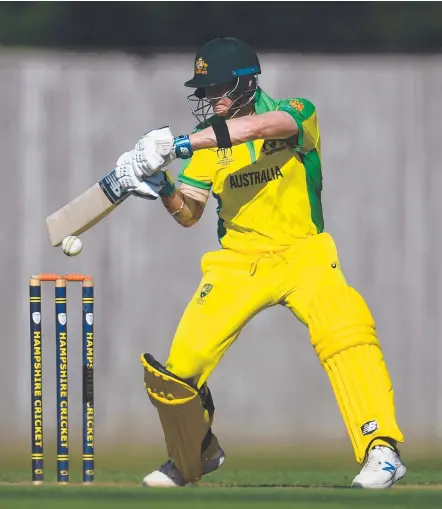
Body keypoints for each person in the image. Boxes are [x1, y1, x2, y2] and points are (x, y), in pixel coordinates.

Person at [114, 36, 406, 489]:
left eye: (217, 89)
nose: (210, 99)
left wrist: (178, 143)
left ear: (247, 83)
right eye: (204, 91)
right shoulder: (210, 143)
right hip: (237, 264)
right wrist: (163, 185)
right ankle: (196, 453)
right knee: (177, 370)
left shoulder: (296, 112)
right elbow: (190, 213)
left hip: (303, 254)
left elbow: (258, 129)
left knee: (345, 330)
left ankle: (381, 448)